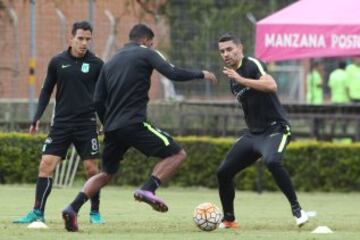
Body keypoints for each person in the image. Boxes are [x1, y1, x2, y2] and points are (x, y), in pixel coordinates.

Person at [61, 23, 217, 232]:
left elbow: (98, 99)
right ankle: (148, 189)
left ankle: (72, 208)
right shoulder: (146, 53)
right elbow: (172, 72)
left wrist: (107, 123)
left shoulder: (111, 62)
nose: (152, 47)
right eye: (151, 44)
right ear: (146, 41)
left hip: (113, 128)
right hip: (134, 122)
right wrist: (201, 74)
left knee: (106, 173)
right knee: (177, 154)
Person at [13, 21, 105, 224]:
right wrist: (36, 117)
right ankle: (38, 212)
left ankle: (95, 212)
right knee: (46, 165)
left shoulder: (98, 64)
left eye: (88, 39)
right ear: (70, 38)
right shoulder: (57, 62)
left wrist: (105, 120)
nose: (83, 43)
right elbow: (46, 91)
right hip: (61, 124)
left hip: (87, 124)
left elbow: (103, 96)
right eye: (80, 38)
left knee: (92, 169)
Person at [216, 32, 308, 229]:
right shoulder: (232, 78)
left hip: (277, 128)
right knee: (223, 172)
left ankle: (298, 210)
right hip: (254, 135)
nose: (226, 54)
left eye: (230, 49)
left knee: (272, 161)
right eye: (222, 51)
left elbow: (271, 85)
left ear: (240, 48)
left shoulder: (251, 65)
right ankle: (229, 219)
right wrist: (238, 80)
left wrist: (242, 79)